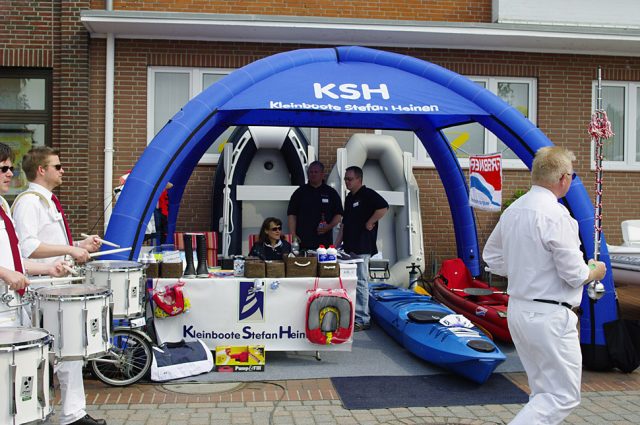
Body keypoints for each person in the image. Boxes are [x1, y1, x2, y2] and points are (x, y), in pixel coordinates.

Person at [483, 146, 606, 425]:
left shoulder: (514, 210)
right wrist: (595, 270)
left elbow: (492, 257)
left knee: (542, 393)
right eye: (572, 176)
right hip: (550, 315)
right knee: (562, 396)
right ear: (563, 178)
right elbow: (574, 273)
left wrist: (522, 269)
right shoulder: (557, 215)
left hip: (519, 309)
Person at [11, 146, 107, 425]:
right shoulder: (29, 203)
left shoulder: (47, 201)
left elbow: (50, 244)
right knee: (57, 351)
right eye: (57, 166)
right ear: (42, 170)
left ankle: (73, 413)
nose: (63, 170)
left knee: (69, 350)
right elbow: (27, 248)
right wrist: (69, 249)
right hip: (41, 287)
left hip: (54, 285)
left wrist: (79, 245)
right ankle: (54, 413)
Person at [336, 166, 388, 331]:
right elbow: (344, 224)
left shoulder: (368, 194)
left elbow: (383, 207)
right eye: (345, 179)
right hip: (349, 247)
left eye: (350, 179)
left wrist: (371, 221)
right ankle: (353, 314)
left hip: (363, 246)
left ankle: (363, 318)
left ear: (359, 179)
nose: (347, 182)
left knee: (360, 282)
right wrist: (335, 246)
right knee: (350, 281)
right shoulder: (349, 198)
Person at [287, 161, 343, 251]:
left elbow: (338, 215)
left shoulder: (331, 193)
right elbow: (292, 214)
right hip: (303, 242)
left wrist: (328, 227)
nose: (313, 174)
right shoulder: (300, 192)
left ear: (322, 174)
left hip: (324, 244)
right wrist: (293, 234)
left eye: (316, 172)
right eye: (311, 172)